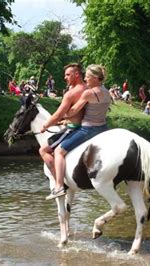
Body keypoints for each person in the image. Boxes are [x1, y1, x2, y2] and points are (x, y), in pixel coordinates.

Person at [43, 64, 111, 200]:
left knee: (58, 152)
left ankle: (59, 186)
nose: (85, 80)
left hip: (88, 130)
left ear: (95, 77)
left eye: (87, 77)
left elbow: (73, 111)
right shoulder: (107, 91)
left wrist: (63, 115)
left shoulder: (88, 93)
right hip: (103, 128)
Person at [39, 63, 87, 199]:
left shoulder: (72, 93)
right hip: (87, 125)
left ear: (76, 74)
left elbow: (57, 115)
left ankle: (59, 185)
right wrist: (66, 119)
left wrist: (45, 126)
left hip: (73, 129)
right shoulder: (87, 88)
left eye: (67, 74)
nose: (65, 77)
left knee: (43, 150)